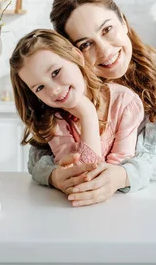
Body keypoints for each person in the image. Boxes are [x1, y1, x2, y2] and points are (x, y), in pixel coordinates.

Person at [28, 0, 156, 207]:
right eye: (85, 44)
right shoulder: (69, 89)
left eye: (106, 29)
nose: (104, 51)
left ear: (122, 20)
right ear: (72, 53)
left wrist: (121, 175)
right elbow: (38, 159)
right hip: (119, 203)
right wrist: (54, 175)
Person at [9, 29, 144, 173]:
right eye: (40, 87)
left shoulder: (125, 102)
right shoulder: (53, 121)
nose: (54, 90)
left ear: (76, 56)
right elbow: (81, 175)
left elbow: (117, 174)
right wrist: (88, 115)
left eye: (56, 72)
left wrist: (87, 112)